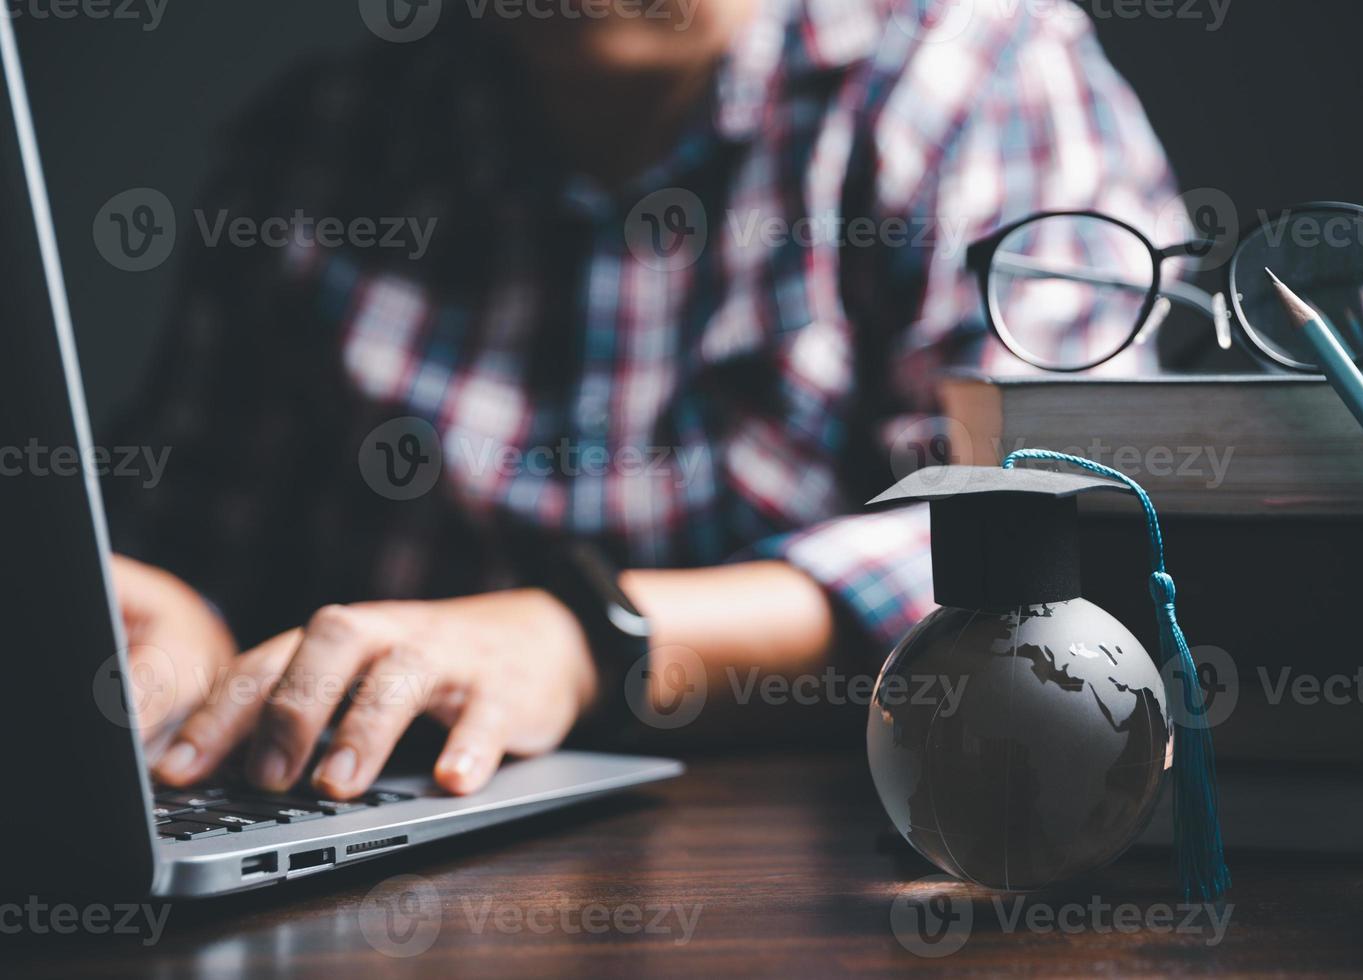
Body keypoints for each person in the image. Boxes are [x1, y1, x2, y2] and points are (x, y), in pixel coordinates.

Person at [106, 0, 1175, 801]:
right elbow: (203, 548)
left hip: (844, 844)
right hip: (387, 830)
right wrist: (182, 625)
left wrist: (588, 638)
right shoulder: (320, 139)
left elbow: (1061, 518)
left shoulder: (973, 71)